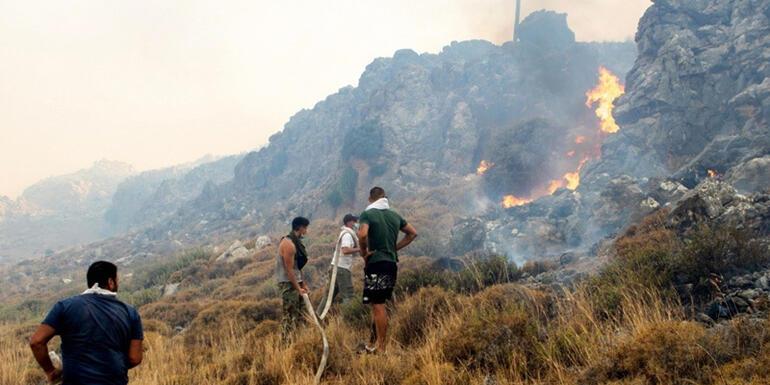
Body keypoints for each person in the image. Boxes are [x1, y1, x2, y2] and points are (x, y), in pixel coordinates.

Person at [29, 261, 144, 385]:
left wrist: (50, 371)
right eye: (117, 280)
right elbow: (135, 358)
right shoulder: (130, 313)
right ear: (111, 282)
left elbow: (37, 342)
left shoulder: (65, 306)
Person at [358, 187, 417, 352]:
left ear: (371, 199)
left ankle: (381, 347)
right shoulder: (394, 215)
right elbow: (412, 233)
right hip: (391, 263)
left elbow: (362, 235)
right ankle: (374, 342)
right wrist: (394, 248)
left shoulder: (368, 214)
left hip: (376, 263)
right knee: (380, 302)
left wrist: (364, 253)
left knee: (377, 304)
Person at [317, 213, 359, 315]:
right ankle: (347, 319)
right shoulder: (348, 235)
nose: (356, 223)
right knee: (348, 295)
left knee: (329, 295)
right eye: (354, 221)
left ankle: (317, 318)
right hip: (342, 268)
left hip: (335, 267)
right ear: (349, 222)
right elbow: (345, 250)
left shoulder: (344, 233)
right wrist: (360, 249)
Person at [276, 216, 311, 338]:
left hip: (296, 283)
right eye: (305, 228)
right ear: (300, 228)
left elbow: (297, 268)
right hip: (288, 284)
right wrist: (298, 289)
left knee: (302, 314)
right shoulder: (288, 244)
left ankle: (300, 340)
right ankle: (284, 345)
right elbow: (289, 270)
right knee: (290, 316)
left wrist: (303, 284)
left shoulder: (296, 242)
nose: (306, 231)